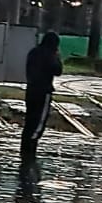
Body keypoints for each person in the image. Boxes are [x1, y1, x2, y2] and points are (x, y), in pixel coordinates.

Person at [22, 31, 62, 159]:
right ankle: (31, 147)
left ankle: (25, 147)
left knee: (29, 120)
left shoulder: (33, 52)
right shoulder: (50, 55)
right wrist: (57, 57)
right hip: (43, 92)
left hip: (31, 90)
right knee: (39, 122)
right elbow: (58, 70)